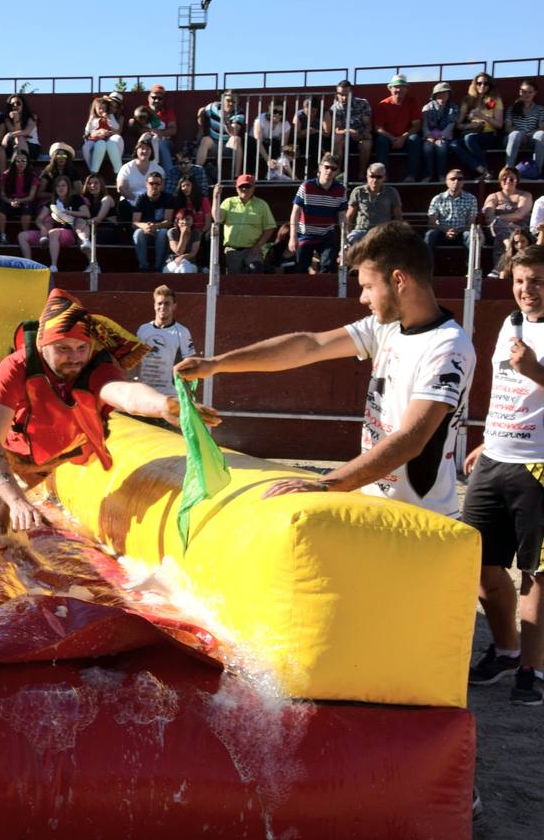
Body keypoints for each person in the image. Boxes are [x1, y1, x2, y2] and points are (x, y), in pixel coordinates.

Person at [176, 220, 474, 516]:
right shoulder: (387, 327)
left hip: (424, 519)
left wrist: (327, 485)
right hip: (376, 504)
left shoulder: (447, 346)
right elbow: (311, 345)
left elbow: (410, 439)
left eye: (369, 286)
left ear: (399, 280)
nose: (363, 298)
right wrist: (217, 364)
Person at [0, 287, 215, 532]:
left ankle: (4, 533)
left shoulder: (95, 366)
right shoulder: (15, 368)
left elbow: (122, 393)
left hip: (52, 451)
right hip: (8, 442)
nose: (75, 358)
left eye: (81, 348)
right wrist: (15, 500)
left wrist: (163, 405)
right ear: (42, 346)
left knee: (16, 503)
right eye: (63, 348)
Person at [462, 245, 544, 705]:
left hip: (540, 464)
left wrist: (536, 370)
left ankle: (532, 671)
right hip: (496, 457)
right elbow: (506, 389)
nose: (526, 290)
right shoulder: (510, 325)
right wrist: (489, 439)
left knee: (536, 574)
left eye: (536, 281)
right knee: (479, 563)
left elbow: (529, 377)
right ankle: (508, 650)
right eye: (519, 281)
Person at [134, 285, 196, 396]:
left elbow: (189, 362)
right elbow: (134, 361)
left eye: (167, 303)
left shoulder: (182, 332)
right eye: (159, 303)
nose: (162, 307)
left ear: (174, 306)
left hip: (170, 395)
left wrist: (187, 391)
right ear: (154, 306)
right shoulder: (143, 330)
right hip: (144, 393)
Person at [290, 154, 347, 274]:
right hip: (305, 234)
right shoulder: (306, 186)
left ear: (337, 172)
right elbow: (295, 212)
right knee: (301, 268)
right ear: (320, 168)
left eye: (333, 168)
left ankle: (324, 292)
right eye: (326, 167)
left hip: (326, 234)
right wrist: (292, 237)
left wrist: (344, 242)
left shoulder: (340, 190)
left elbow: (342, 217)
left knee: (328, 266)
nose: (329, 171)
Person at [19, 175, 89, 272]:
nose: (60, 188)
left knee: (53, 232)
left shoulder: (75, 198)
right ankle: (28, 266)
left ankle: (53, 266)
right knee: (22, 236)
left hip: (72, 232)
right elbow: (39, 219)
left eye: (63, 185)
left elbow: (86, 213)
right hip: (48, 233)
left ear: (68, 187)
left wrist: (69, 212)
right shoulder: (52, 203)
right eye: (58, 186)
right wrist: (42, 227)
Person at [213, 174, 278, 274]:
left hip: (252, 250)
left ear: (253, 188)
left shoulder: (262, 204)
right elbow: (217, 218)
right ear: (236, 188)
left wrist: (258, 245)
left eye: (248, 186)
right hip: (232, 251)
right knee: (233, 281)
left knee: (256, 270)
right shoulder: (228, 202)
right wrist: (216, 197)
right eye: (241, 186)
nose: (244, 189)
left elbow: (269, 227)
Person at [372, 74, 423, 182]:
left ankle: (412, 175)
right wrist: (392, 138)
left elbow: (416, 125)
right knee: (381, 141)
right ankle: (383, 176)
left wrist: (403, 137)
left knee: (414, 139)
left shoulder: (412, 102)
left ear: (407, 88)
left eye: (402, 86)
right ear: (390, 89)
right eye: (395, 87)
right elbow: (378, 128)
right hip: (388, 138)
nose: (398, 89)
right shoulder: (383, 104)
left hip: (406, 137)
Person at [425, 168, 478, 272]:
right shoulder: (438, 198)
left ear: (463, 182)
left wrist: (457, 231)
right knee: (430, 235)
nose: (456, 181)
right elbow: (431, 223)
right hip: (442, 232)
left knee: (471, 235)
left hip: (462, 232)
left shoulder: (471, 198)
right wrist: (446, 230)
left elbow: (471, 223)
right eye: (453, 179)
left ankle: (470, 272)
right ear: (446, 181)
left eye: (460, 179)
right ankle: (427, 270)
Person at [484, 165, 535, 268]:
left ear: (517, 181)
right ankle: (509, 244)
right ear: (500, 180)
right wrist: (506, 223)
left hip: (520, 231)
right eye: (504, 178)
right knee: (497, 225)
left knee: (498, 227)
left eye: (512, 178)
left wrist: (500, 219)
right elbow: (489, 218)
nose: (508, 181)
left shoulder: (525, 195)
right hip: (497, 230)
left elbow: (519, 215)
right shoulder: (493, 196)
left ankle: (498, 271)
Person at [456, 73, 503, 181]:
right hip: (471, 132)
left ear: (489, 85)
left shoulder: (493, 100)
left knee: (470, 138)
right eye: (479, 83)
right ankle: (483, 170)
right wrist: (470, 125)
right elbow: (458, 125)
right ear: (474, 84)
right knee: (454, 144)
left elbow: (499, 125)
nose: (482, 86)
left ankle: (485, 171)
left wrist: (483, 116)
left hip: (489, 135)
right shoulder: (468, 100)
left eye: (485, 83)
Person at [131, 170, 180, 272]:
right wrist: (145, 226)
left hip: (159, 230)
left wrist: (155, 226)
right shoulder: (141, 198)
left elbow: (168, 221)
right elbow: (134, 223)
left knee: (163, 233)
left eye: (157, 183)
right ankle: (143, 267)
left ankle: (159, 267)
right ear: (146, 184)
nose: (154, 186)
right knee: (137, 233)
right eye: (151, 183)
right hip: (145, 230)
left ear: (162, 185)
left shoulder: (168, 198)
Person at [345, 162, 403, 246]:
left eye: (379, 177)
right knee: (348, 244)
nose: (375, 180)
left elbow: (398, 217)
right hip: (362, 231)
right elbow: (349, 216)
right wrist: (346, 235)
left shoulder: (391, 193)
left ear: (384, 178)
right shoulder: (358, 191)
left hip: (382, 231)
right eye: (372, 176)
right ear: (367, 177)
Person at [323, 79, 372, 174]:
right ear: (337, 94)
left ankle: (362, 175)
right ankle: (337, 172)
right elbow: (337, 129)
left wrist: (361, 135)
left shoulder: (362, 103)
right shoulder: (335, 108)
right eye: (341, 94)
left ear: (351, 93)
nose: (344, 97)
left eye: (346, 94)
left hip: (361, 136)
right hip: (344, 138)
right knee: (337, 138)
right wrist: (348, 131)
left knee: (366, 144)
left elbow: (368, 125)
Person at [195, 90, 244, 176]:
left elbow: (233, 133)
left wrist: (227, 122)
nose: (231, 103)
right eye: (229, 100)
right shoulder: (213, 107)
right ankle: (196, 173)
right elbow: (201, 111)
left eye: (234, 101)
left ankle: (236, 176)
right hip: (214, 145)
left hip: (228, 147)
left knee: (236, 139)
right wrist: (201, 130)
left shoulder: (239, 112)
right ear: (222, 99)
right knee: (205, 140)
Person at [0, 150, 40, 244]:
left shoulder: (32, 175)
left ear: (27, 162)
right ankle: (3, 236)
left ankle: (25, 236)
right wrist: (10, 202)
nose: (21, 163)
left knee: (27, 207)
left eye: (24, 160)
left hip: (24, 201)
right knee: (1, 208)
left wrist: (19, 201)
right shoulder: (6, 174)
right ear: (14, 161)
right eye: (18, 160)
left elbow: (31, 196)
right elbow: (2, 194)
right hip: (9, 201)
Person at [421, 82, 460, 184]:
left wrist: (441, 137)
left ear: (449, 95)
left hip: (445, 136)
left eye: (444, 93)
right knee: (427, 148)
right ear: (434, 95)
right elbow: (425, 125)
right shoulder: (427, 107)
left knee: (442, 147)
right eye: (439, 94)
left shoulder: (453, 107)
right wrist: (429, 136)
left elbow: (451, 125)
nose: (442, 96)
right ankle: (428, 175)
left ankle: (442, 175)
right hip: (429, 136)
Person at [504, 79, 544, 176]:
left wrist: (528, 135)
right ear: (520, 92)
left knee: (541, 134)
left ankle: (536, 171)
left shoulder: (540, 109)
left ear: (535, 93)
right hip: (513, 138)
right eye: (524, 92)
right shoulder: (512, 108)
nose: (527, 94)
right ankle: (508, 171)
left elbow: (542, 127)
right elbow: (507, 127)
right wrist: (521, 134)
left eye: (530, 92)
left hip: (531, 138)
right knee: (515, 134)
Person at [83, 96, 124, 176]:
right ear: (95, 109)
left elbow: (116, 127)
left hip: (108, 139)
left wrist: (108, 119)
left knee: (110, 141)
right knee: (86, 147)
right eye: (100, 108)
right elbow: (87, 131)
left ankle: (118, 169)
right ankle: (92, 170)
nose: (102, 110)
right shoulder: (93, 118)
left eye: (104, 108)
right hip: (95, 139)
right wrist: (91, 122)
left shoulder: (110, 116)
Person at [116, 139, 163, 208]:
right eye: (142, 148)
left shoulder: (158, 169)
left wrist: (147, 201)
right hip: (130, 200)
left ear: (151, 151)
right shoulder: (126, 168)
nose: (144, 151)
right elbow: (121, 189)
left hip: (151, 201)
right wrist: (137, 200)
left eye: (147, 149)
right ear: (136, 150)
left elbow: (161, 189)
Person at [0, 94, 40, 168]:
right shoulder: (7, 119)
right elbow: (16, 135)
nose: (15, 105)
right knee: (0, 149)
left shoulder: (32, 116)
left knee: (20, 139)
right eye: (12, 104)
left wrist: (9, 135)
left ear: (23, 104)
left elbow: (26, 132)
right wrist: (16, 119)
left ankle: (25, 171)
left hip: (32, 147)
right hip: (15, 145)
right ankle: (3, 176)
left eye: (18, 103)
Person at [145, 85, 178, 171]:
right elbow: (136, 128)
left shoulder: (168, 112)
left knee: (161, 144)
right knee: (143, 145)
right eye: (154, 97)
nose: (156, 100)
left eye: (160, 98)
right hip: (147, 142)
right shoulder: (143, 111)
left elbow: (173, 130)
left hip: (165, 142)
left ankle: (169, 175)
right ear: (149, 98)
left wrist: (158, 133)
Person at [165, 209, 201, 273]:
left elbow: (193, 253)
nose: (185, 222)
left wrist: (182, 257)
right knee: (175, 270)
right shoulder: (172, 232)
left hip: (190, 263)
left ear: (192, 221)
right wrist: (183, 234)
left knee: (184, 266)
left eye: (187, 219)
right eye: (182, 219)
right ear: (178, 222)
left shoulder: (196, 233)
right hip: (173, 261)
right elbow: (178, 252)